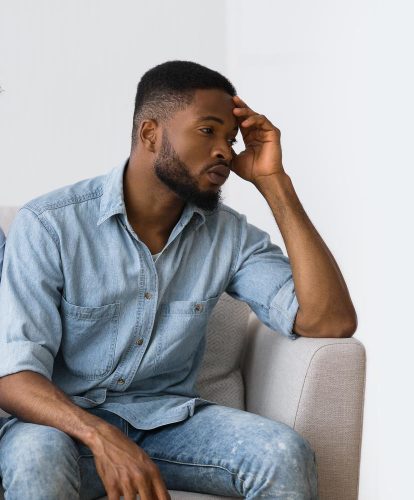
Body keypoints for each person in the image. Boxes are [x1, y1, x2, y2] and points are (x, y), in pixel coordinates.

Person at [0, 60, 357, 500]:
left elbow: (329, 321)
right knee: (35, 455)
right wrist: (100, 436)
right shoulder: (50, 225)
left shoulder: (229, 236)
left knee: (282, 452)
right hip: (62, 428)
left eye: (230, 138)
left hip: (172, 425)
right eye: (208, 131)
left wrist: (274, 182)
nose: (225, 151)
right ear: (150, 133)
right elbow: (13, 375)